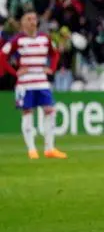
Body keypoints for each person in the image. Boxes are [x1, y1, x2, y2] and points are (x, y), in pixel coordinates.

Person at [0, 10, 66, 159]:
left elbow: (54, 53)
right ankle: (32, 149)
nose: (32, 21)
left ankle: (50, 148)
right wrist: (14, 72)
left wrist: (52, 69)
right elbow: (2, 56)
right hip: (25, 83)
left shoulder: (45, 38)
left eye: (34, 19)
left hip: (42, 81)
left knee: (50, 110)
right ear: (23, 23)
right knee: (28, 113)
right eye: (28, 19)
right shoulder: (17, 40)